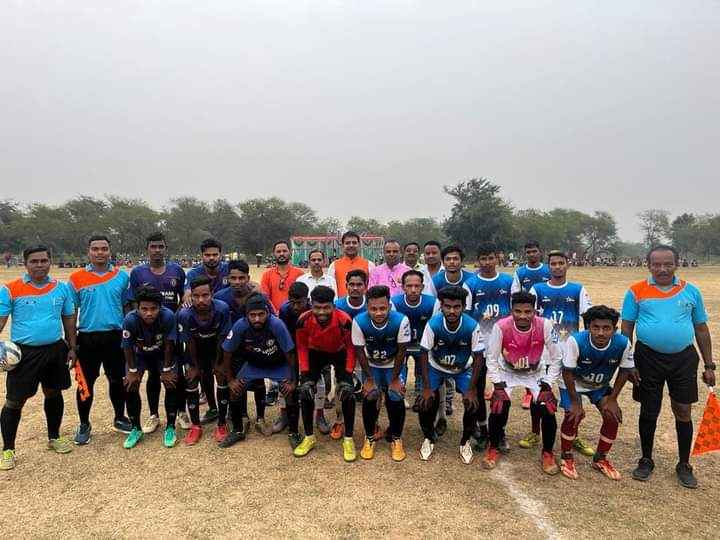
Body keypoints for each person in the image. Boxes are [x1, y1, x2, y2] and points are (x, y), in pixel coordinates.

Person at [621, 245, 715, 489]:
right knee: (649, 410)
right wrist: (628, 362)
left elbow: (701, 328)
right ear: (648, 265)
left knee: (683, 410)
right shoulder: (636, 291)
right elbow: (627, 327)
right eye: (656, 264)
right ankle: (646, 459)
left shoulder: (691, 291)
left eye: (667, 264)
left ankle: (684, 464)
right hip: (647, 358)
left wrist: (709, 365)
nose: (662, 269)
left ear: (677, 264)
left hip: (683, 359)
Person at [0, 246, 76, 470]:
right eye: (34, 261)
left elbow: (69, 318)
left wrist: (72, 347)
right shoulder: (10, 289)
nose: (40, 265)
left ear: (50, 262)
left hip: (54, 349)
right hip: (24, 354)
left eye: (44, 260)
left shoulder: (61, 288)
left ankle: (54, 437)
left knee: (53, 393)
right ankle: (8, 449)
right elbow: (1, 321)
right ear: (25, 263)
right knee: (15, 401)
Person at [483, 291, 563, 474]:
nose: (523, 316)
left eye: (528, 312)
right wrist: (497, 384)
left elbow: (557, 357)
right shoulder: (501, 326)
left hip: (535, 373)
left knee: (547, 407)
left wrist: (548, 383)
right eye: (517, 311)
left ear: (535, 311)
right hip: (507, 371)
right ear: (511, 310)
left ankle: (548, 453)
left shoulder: (545, 325)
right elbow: (492, 358)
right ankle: (493, 447)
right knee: (499, 404)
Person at [68, 235, 132, 445]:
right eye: (95, 249)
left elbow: (127, 309)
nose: (100, 253)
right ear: (88, 251)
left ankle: (119, 417)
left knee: (117, 380)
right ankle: (84, 424)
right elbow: (71, 313)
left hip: (115, 337)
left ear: (110, 251)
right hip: (87, 338)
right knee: (84, 384)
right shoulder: (76, 278)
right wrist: (72, 344)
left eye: (104, 249)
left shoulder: (121, 277)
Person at [528, 250, 593, 456]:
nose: (557, 266)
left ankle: (574, 435)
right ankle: (534, 432)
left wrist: (585, 347)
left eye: (560, 263)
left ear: (567, 264)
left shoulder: (577, 289)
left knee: (572, 398)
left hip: (568, 355)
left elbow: (588, 319)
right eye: (553, 263)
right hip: (543, 353)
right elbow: (528, 319)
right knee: (538, 396)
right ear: (548, 266)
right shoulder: (537, 289)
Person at [559, 306, 634, 480]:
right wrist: (575, 403)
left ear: (614, 329)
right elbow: (567, 372)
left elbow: (625, 371)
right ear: (588, 327)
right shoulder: (576, 341)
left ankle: (600, 459)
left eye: (606, 328)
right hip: (573, 383)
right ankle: (566, 456)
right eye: (596, 327)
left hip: (599, 386)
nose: (601, 333)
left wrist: (613, 399)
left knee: (611, 416)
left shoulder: (623, 343)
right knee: (573, 415)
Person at [219, 294, 301, 449]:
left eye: (261, 314)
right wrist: (230, 380)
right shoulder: (240, 326)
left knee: (290, 392)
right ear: (246, 315)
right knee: (235, 391)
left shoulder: (277, 325)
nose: (257, 319)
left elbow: (290, 353)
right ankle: (237, 431)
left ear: (268, 313)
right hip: (254, 365)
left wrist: (293, 381)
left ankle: (294, 432)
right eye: (252, 315)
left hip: (278, 364)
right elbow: (227, 352)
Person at [127, 232, 186, 435]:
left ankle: (181, 411)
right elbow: (132, 302)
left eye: (161, 246)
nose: (157, 250)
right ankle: (153, 415)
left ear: (165, 248)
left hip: (170, 331)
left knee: (176, 374)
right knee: (153, 374)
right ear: (147, 249)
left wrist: (174, 322)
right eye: (153, 246)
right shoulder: (138, 273)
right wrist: (138, 327)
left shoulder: (177, 270)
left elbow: (183, 298)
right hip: (146, 333)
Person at [417, 286, 483, 464]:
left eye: (456, 307)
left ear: (463, 307)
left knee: (472, 402)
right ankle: (428, 438)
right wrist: (427, 387)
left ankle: (465, 441)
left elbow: (478, 357)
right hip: (436, 366)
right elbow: (423, 353)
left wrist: (471, 389)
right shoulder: (433, 324)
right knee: (425, 402)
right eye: (447, 306)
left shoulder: (472, 326)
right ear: (441, 306)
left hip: (461, 369)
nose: (452, 311)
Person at [293, 286, 358, 461]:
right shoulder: (303, 320)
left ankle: (348, 439)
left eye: (326, 307)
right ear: (311, 305)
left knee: (347, 393)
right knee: (305, 392)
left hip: (339, 352)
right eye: (317, 307)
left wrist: (347, 374)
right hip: (315, 353)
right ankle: (309, 437)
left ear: (333, 306)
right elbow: (301, 347)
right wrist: (305, 374)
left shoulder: (344, 320)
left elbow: (351, 348)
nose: (321, 312)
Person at [353, 285, 412, 462]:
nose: (378, 313)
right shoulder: (359, 321)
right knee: (370, 395)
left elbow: (402, 351)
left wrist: (394, 379)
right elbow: (359, 352)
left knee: (395, 395)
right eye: (373, 309)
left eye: (382, 308)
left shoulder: (401, 320)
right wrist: (369, 379)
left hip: (393, 364)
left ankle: (396, 437)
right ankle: (369, 437)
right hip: (371, 365)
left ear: (389, 306)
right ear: (367, 307)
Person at [465, 243, 514, 444]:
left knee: (503, 390)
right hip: (479, 347)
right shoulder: (470, 284)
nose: (487, 262)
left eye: (490, 258)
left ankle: (500, 432)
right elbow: (467, 316)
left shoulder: (509, 281)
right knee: (477, 389)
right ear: (478, 261)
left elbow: (516, 312)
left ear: (497, 258)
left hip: (504, 347)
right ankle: (483, 428)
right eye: (483, 258)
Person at [121, 286, 179, 449]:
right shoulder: (130, 319)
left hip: (162, 354)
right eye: (144, 309)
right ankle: (136, 428)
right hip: (140, 355)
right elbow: (127, 347)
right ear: (137, 308)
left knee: (171, 382)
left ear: (160, 307)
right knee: (130, 385)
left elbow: (169, 344)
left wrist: (166, 370)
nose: (149, 313)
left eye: (153, 309)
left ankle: (170, 427)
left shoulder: (168, 316)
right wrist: (132, 372)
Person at [177, 276, 232, 445]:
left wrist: (219, 363)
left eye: (205, 295)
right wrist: (194, 366)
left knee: (221, 377)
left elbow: (222, 339)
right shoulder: (185, 314)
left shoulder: (222, 309)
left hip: (215, 349)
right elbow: (189, 342)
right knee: (192, 379)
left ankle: (221, 424)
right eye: (196, 296)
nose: (201, 300)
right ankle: (195, 426)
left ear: (212, 294)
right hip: (195, 352)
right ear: (191, 296)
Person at [273, 282, 330, 436]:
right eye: (293, 302)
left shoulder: (315, 310)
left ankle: (320, 415)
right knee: (284, 380)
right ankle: (284, 414)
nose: (296, 306)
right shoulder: (285, 310)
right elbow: (283, 333)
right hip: (291, 348)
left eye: (300, 302)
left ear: (307, 300)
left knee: (318, 383)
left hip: (313, 349)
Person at [431, 245, 473, 421]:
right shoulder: (436, 280)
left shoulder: (470, 279)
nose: (452, 262)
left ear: (461, 261)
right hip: (442, 330)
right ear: (443, 262)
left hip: (464, 330)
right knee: (442, 369)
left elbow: (469, 309)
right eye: (448, 259)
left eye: (456, 258)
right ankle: (444, 406)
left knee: (462, 369)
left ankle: (473, 421)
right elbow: (435, 306)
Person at [391, 270, 440, 412]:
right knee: (400, 366)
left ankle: (420, 394)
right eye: (409, 286)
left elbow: (435, 328)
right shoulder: (394, 303)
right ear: (403, 287)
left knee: (422, 369)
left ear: (422, 287)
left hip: (423, 344)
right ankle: (400, 392)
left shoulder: (433, 303)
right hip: (401, 344)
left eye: (417, 286)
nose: (413, 290)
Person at [332, 268, 369, 437]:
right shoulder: (338, 305)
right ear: (346, 285)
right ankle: (339, 420)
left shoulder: (371, 304)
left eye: (359, 284)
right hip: (343, 352)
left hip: (366, 352)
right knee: (341, 385)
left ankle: (372, 423)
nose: (355, 288)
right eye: (351, 284)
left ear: (365, 286)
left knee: (370, 385)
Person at [260, 240, 305, 313]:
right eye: (278, 251)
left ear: (290, 252)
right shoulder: (267, 275)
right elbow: (265, 297)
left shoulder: (300, 274)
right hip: (274, 315)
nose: (281, 254)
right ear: (274, 254)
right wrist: (275, 312)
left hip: (295, 314)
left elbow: (303, 298)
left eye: (284, 251)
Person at [327, 231, 375, 298]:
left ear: (359, 245)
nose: (351, 245)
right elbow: (330, 289)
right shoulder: (334, 266)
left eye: (354, 243)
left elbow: (373, 289)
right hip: (340, 303)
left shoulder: (369, 265)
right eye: (348, 243)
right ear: (342, 245)